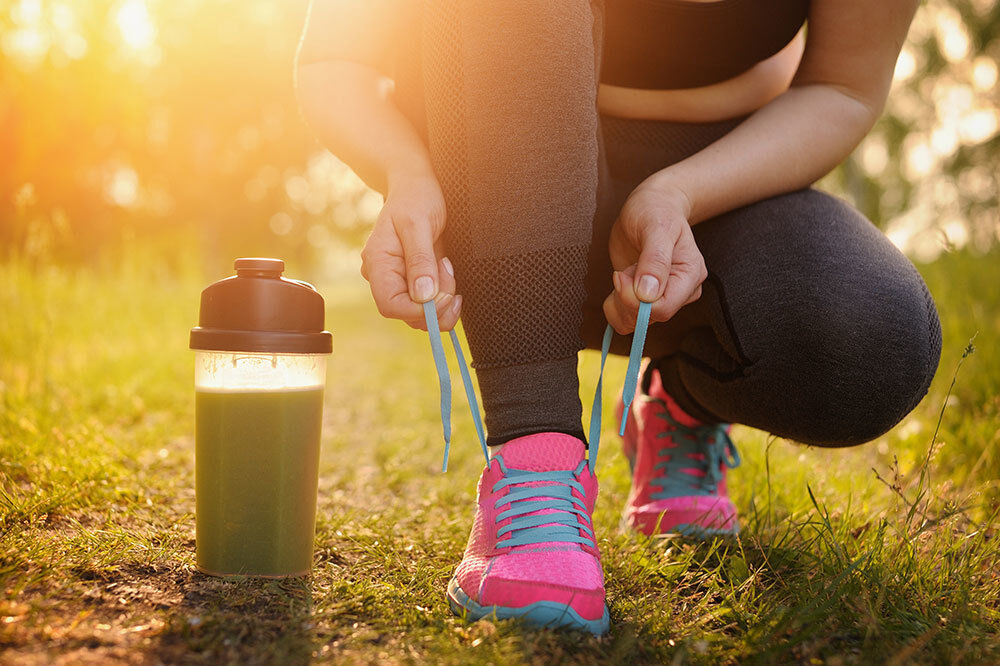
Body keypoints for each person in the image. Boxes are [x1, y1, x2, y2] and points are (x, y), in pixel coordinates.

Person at [296, 0, 940, 635]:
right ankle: (533, 462)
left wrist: (677, 193)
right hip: (499, 181)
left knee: (870, 339)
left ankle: (683, 401)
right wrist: (404, 171)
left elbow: (843, 89)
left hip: (719, 181)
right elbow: (333, 59)